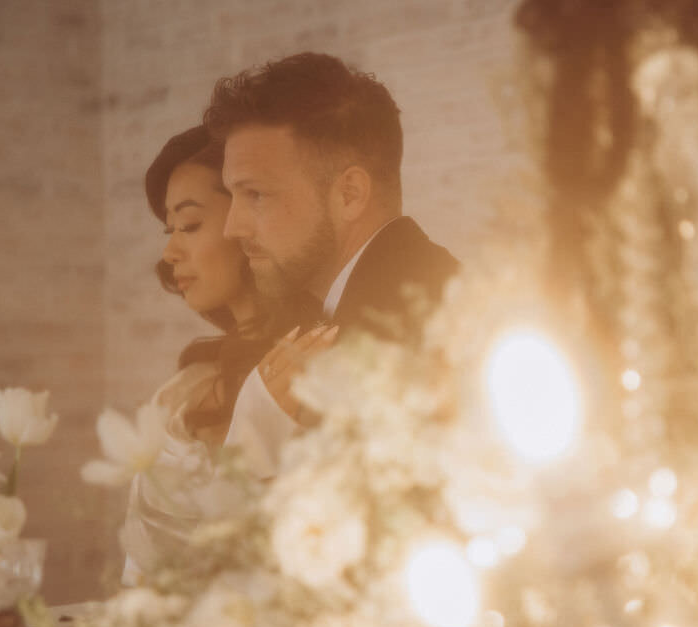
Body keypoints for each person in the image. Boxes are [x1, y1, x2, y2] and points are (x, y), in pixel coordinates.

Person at [201, 52, 459, 462]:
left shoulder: (405, 338)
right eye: (233, 196)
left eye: (256, 195)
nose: (233, 227)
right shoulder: (395, 299)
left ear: (349, 194)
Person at [120, 125, 319, 584]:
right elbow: (142, 573)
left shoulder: (311, 365)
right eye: (170, 229)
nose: (170, 251)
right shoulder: (186, 390)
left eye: (190, 225)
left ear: (249, 219)